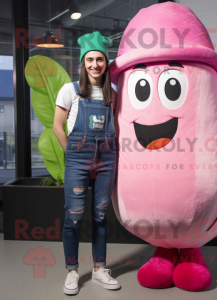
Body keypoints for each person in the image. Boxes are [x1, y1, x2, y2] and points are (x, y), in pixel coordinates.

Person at [53, 31, 120, 295]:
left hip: (106, 158)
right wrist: (72, 153)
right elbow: (58, 127)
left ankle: (99, 269)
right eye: (90, 59)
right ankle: (72, 271)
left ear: (106, 63)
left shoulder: (112, 92)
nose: (95, 64)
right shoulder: (70, 90)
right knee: (74, 217)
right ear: (83, 63)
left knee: (101, 216)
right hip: (77, 158)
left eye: (100, 59)